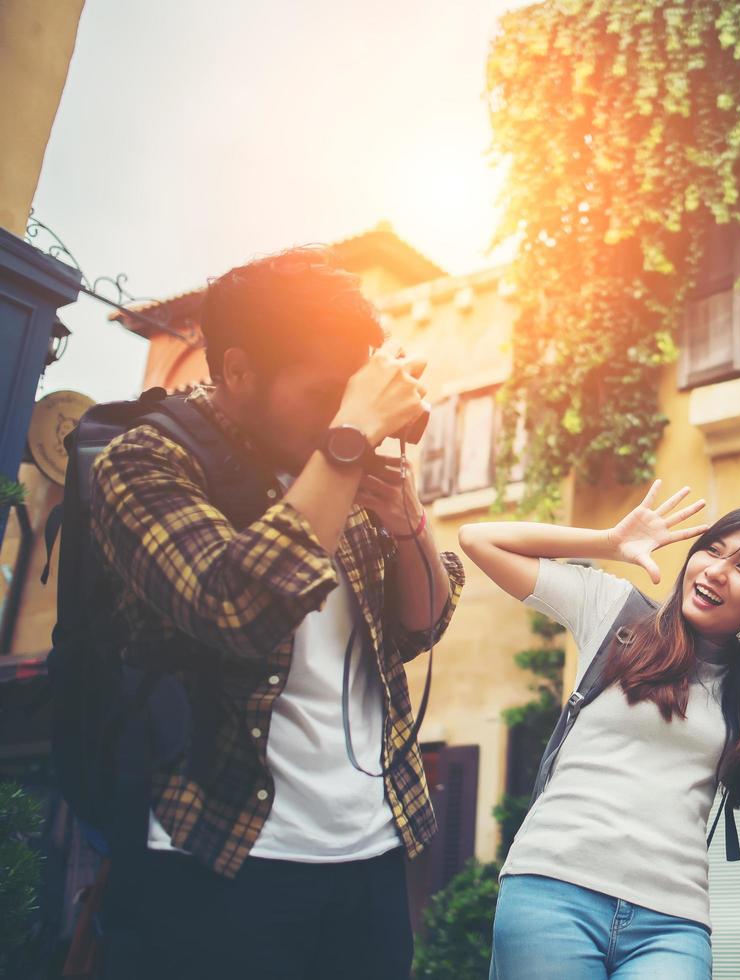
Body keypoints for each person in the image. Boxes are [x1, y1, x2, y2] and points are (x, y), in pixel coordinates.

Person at [90, 248, 463, 979]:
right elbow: (238, 611)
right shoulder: (147, 463)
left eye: (349, 393)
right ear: (237, 371)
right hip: (222, 855)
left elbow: (422, 626)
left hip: (372, 849)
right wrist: (348, 437)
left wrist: (408, 521)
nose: (338, 415)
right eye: (324, 394)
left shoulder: (338, 461)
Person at [458, 484, 740, 979]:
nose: (715, 571)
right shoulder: (614, 612)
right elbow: (478, 539)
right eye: (713, 549)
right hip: (555, 885)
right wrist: (609, 543)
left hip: (673, 918)